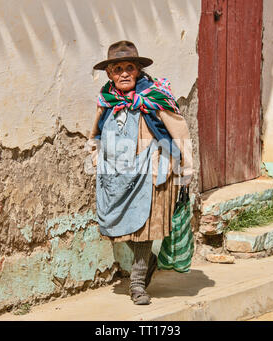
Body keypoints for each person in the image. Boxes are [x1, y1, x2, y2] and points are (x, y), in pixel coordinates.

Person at [87, 40, 193, 305]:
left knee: (144, 229)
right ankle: (149, 260)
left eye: (129, 67)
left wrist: (186, 169)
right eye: (118, 68)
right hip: (116, 176)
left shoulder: (154, 97)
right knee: (113, 226)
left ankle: (136, 283)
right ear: (110, 74)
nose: (124, 73)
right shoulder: (106, 99)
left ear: (138, 71)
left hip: (152, 170)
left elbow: (179, 131)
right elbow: (95, 132)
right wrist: (95, 155)